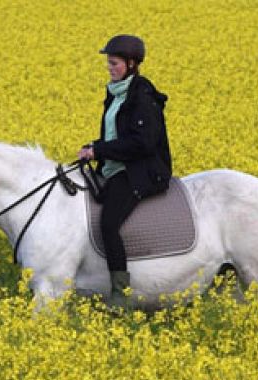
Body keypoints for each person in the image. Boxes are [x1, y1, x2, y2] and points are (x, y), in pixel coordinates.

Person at [78, 34, 173, 304]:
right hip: (116, 166)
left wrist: (100, 151)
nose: (109, 68)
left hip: (141, 171)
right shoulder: (116, 93)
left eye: (114, 63)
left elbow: (142, 143)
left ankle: (121, 294)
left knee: (108, 223)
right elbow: (116, 136)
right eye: (108, 63)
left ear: (131, 64)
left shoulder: (142, 97)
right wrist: (93, 147)